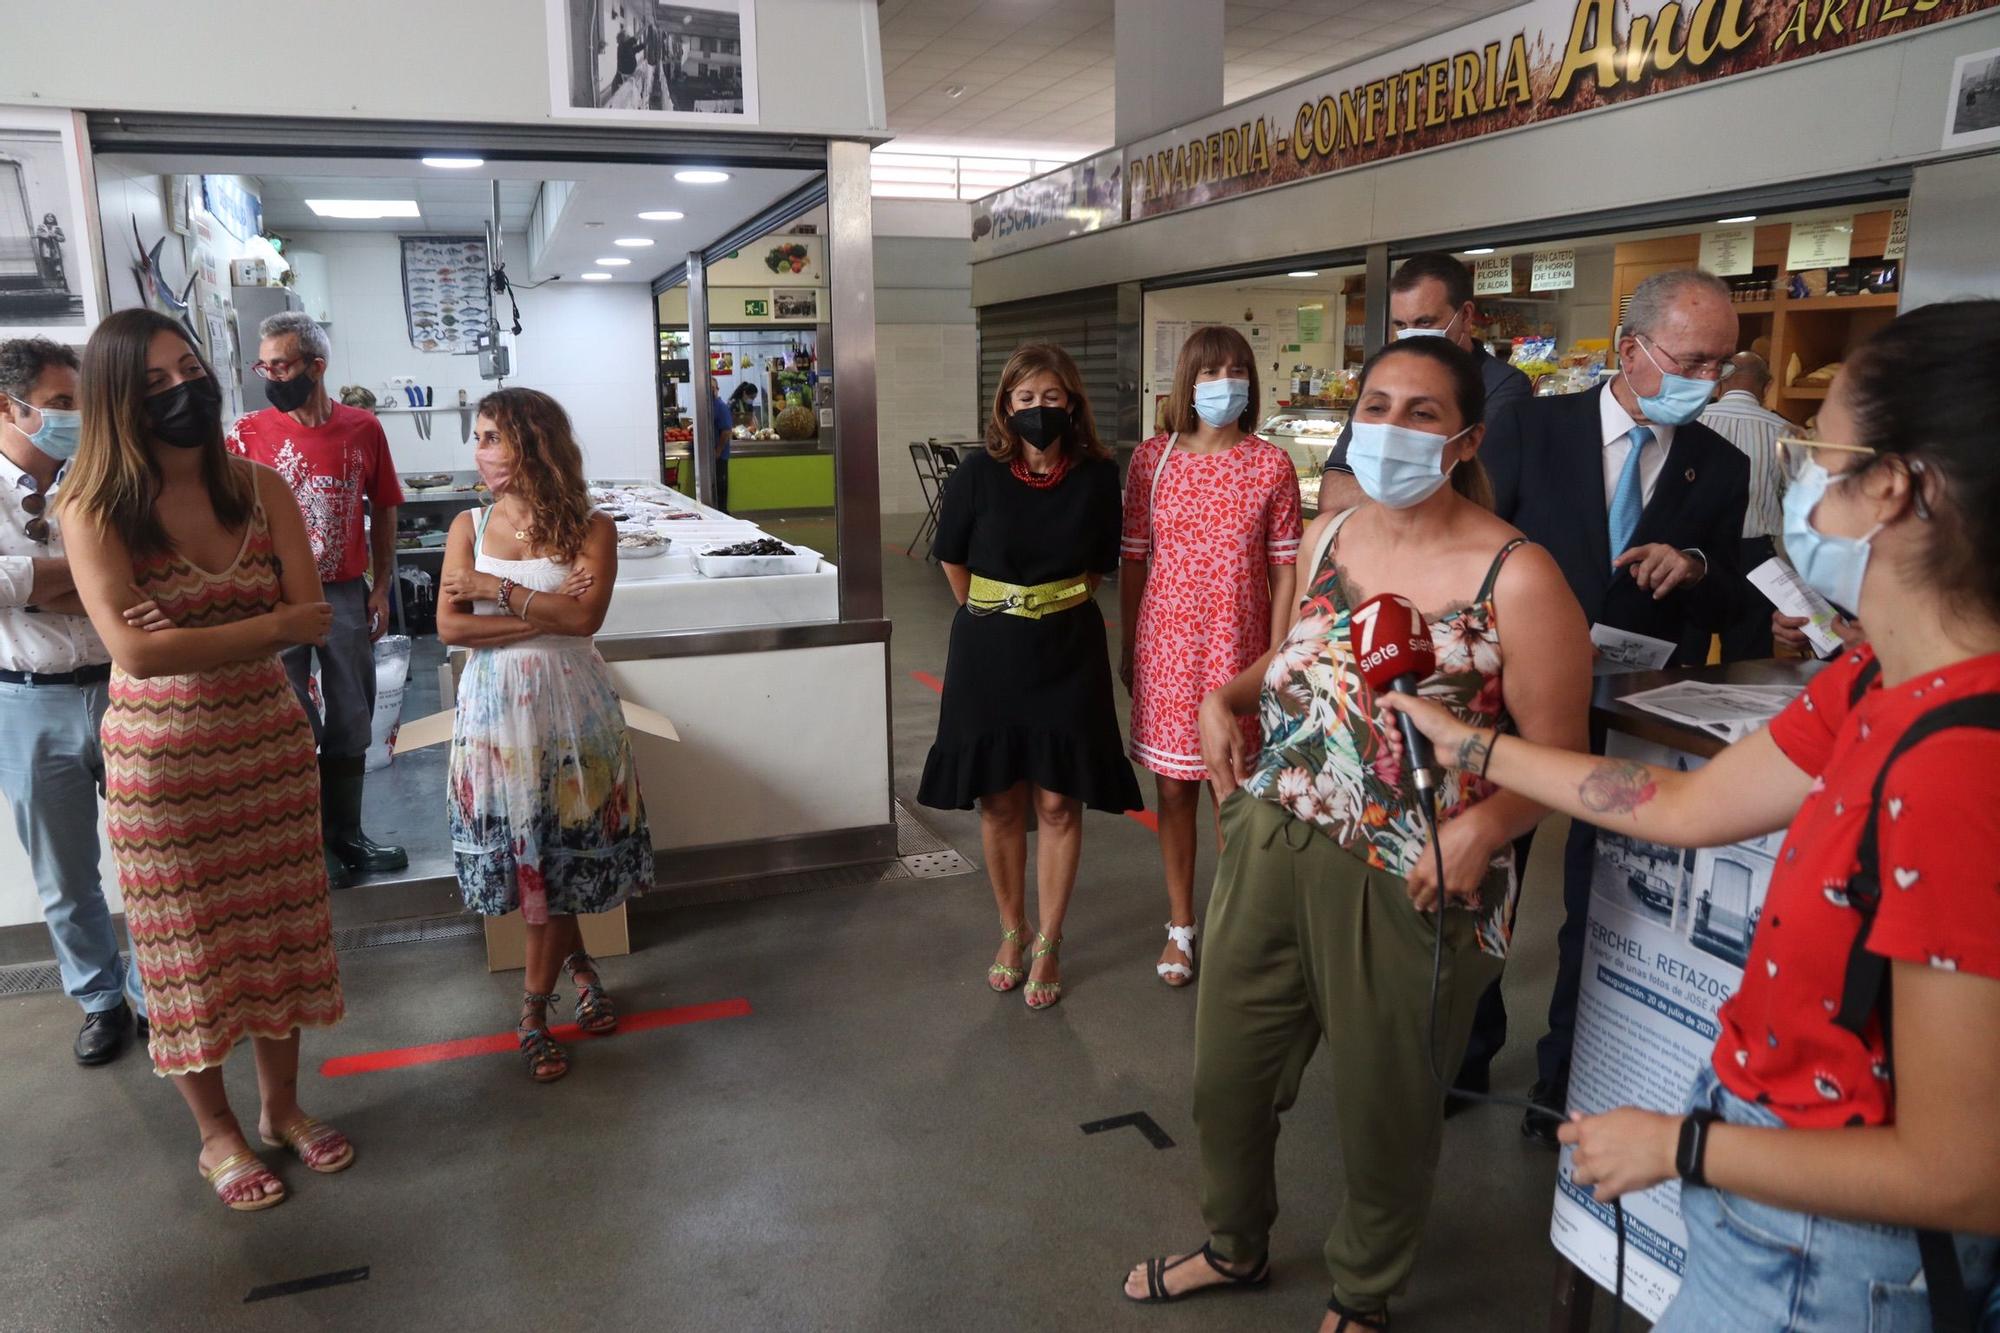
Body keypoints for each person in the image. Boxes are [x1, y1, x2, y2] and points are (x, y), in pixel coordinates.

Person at [1381, 300, 2000, 1330]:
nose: (1801, 479)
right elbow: (1679, 804)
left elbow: (1956, 1170)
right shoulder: (1870, 683)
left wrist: (1676, 1148)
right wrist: (1476, 751)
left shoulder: (1957, 767)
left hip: (1831, 1259)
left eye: (1821, 452)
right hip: (1767, 1201)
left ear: (1890, 486)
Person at [1121, 338, 1590, 1329]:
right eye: (1374, 404)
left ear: (1463, 439)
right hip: (1272, 834)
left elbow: (1558, 760)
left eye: (1419, 413)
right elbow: (1298, 653)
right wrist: (1224, 695)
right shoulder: (1332, 531)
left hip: (1411, 873)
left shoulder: (1517, 575)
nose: (1387, 427)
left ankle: (1364, 1292)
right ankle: (1233, 1243)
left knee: (1386, 1110)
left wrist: (1486, 831)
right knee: (1224, 1078)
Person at [60, 308, 351, 1211]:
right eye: (154, 382)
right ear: (118, 399)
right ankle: (216, 1134)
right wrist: (258, 629)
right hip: (165, 772)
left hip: (269, 746)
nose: (184, 387)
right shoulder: (94, 505)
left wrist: (194, 629)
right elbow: (139, 655)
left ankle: (282, 1108)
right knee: (189, 952)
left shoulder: (259, 487)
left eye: (188, 366)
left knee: (281, 935)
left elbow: (317, 617)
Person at [1478, 268, 1750, 1141]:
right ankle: (1460, 1053)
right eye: (1691, 360)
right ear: (1630, 351)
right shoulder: (1528, 428)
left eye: (1723, 364)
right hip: (1519, 699)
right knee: (1491, 875)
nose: (1707, 381)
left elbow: (1729, 591)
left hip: (1635, 705)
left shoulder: (1722, 461)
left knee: (1603, 895)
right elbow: (1477, 545)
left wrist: (1699, 568)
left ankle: (1565, 1078)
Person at [437, 388, 651, 1083]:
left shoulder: (594, 528)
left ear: (535, 442)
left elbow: (586, 620)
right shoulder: (467, 525)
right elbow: (451, 629)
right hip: (496, 716)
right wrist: (545, 612)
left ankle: (532, 1010)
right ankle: (581, 967)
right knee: (536, 857)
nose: (481, 451)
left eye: (494, 436)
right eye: (478, 437)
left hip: (573, 714)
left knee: (561, 855)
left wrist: (495, 590)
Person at [918, 342, 1141, 1010]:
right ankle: (1012, 928)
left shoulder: (1098, 475)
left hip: (1068, 649)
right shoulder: (976, 474)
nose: (1038, 410)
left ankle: (1050, 938)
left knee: (1056, 798)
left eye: (1050, 398)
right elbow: (951, 557)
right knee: (1001, 797)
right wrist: (992, 611)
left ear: (1072, 402)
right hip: (988, 649)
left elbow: (1100, 563)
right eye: (1025, 399)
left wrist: (1048, 604)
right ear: (1004, 406)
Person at [1120, 325, 1302, 986]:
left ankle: (1235, 926)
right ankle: (1181, 924)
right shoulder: (1152, 460)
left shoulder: (1270, 465)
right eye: (1211, 369)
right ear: (1185, 381)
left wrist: (1277, 657)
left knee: (1235, 793)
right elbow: (1134, 559)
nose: (1226, 381)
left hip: (1240, 654)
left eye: (1237, 369)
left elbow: (1286, 571)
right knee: (1172, 791)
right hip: (1167, 648)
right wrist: (1127, 643)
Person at [0, 337, 149, 1063]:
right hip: (27, 703)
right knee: (64, 874)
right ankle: (99, 1000)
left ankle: (158, 996)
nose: (78, 418)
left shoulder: (108, 479)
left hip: (125, 686)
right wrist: (80, 578)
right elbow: (100, 584)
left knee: (155, 857)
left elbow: (136, 575)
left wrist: (28, 581)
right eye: (62, 405)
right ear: (9, 407)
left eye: (83, 404)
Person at [227, 311, 406, 888]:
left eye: (281, 364)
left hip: (343, 593)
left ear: (316, 366)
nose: (270, 376)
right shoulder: (244, 434)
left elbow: (384, 509)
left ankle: (346, 834)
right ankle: (302, 845)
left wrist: (380, 587)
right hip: (269, 600)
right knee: (287, 716)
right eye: (264, 365)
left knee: (353, 710)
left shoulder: (362, 429)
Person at [1319, 251, 1533, 514]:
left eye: (1424, 322)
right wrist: (1415, 493)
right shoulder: (1383, 379)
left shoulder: (1503, 385)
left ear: (1465, 315)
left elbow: (1477, 495)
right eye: (1401, 324)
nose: (1411, 334)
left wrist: (1379, 494)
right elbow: (1333, 493)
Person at [1699, 351, 1792, 660]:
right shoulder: (1785, 432)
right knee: (1748, 657)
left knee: (1686, 647)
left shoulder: (1694, 422)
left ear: (1720, 382)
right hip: (1757, 558)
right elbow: (1797, 508)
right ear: (1766, 387)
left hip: (1695, 552)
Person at [707, 373, 733, 514]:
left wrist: (718, 451)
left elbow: (726, 431)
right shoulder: (708, 406)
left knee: (720, 487)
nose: (711, 390)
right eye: (708, 387)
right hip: (711, 456)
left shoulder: (721, 407)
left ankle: (722, 513)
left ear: (717, 389)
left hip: (719, 456)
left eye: (713, 388)